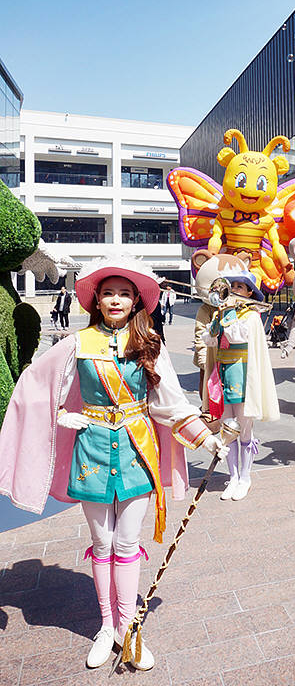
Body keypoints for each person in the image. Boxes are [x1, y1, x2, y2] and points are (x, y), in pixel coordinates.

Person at [0, 257, 226, 671]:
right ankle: (107, 627)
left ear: (137, 299)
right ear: (97, 301)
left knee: (126, 544)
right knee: (102, 544)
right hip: (91, 452)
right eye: (108, 293)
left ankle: (129, 628)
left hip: (138, 451)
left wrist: (206, 436)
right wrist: (61, 416)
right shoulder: (75, 343)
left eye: (124, 293)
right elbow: (37, 383)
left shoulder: (150, 344)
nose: (116, 300)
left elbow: (169, 403)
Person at [204, 270, 279, 501]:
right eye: (231, 286)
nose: (234, 289)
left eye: (239, 286)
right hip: (224, 374)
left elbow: (237, 336)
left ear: (249, 292)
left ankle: (245, 477)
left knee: (244, 430)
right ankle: (233, 476)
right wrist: (217, 319)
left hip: (244, 376)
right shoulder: (222, 313)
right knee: (227, 429)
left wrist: (226, 315)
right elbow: (210, 340)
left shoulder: (251, 316)